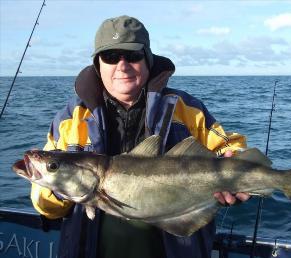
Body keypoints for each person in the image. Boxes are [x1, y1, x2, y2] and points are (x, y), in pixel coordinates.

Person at [30, 15, 249, 258]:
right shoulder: (70, 118)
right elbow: (46, 207)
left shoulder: (186, 108)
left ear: (148, 60)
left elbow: (229, 146)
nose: (122, 66)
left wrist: (236, 169)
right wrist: (60, 186)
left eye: (132, 55)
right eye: (111, 57)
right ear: (97, 64)